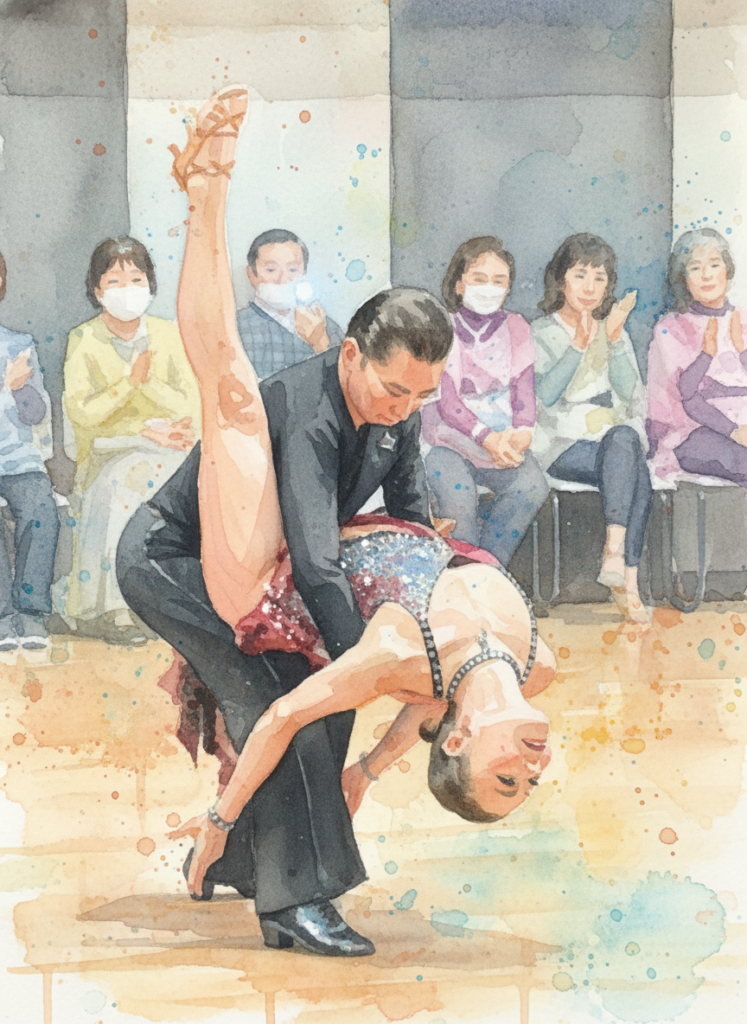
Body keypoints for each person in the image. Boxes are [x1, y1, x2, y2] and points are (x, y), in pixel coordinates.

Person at [116, 86, 554, 958]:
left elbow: (406, 522)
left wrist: (401, 636)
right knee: (283, 699)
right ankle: (294, 903)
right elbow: (318, 559)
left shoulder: (397, 410)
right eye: (391, 389)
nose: (403, 408)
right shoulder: (310, 412)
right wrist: (364, 659)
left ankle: (247, 860)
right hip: (172, 560)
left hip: (268, 559)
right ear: (350, 354)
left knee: (309, 697)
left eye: (420, 396)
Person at [62, 238, 201, 643]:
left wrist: (150, 385)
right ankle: (117, 609)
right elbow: (83, 414)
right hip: (109, 451)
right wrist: (129, 387)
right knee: (127, 480)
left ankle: (176, 604)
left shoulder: (168, 334)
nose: (127, 290)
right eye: (115, 281)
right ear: (97, 290)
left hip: (169, 448)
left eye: (136, 279)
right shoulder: (83, 339)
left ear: (150, 285)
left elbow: (190, 403)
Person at [532, 233, 652, 624]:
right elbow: (545, 396)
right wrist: (578, 348)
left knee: (625, 442)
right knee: (632, 464)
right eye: (580, 275)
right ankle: (626, 579)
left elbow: (630, 393)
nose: (589, 287)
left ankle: (617, 559)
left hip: (612, 443)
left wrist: (613, 341)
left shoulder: (612, 328)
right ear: (561, 279)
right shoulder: (541, 332)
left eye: (599, 278)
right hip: (562, 444)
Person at [422, 236, 549, 566]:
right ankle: (463, 576)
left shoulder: (517, 327)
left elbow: (524, 391)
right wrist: (487, 438)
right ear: (459, 283)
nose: (489, 288)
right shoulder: (441, 327)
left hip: (500, 443)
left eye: (498, 281)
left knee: (531, 487)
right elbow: (448, 404)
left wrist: (522, 433)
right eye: (479, 279)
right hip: (446, 442)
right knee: (459, 498)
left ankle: (488, 571)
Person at [647, 228, 747, 488]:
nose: (707, 275)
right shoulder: (671, 327)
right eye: (695, 267)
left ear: (727, 269)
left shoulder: (743, 318)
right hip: (692, 431)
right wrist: (735, 431)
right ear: (684, 278)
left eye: (714, 264)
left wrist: (743, 350)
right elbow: (689, 398)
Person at [0, 250, 59, 651]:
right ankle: (2, 617)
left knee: (41, 511)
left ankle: (31, 612)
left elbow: (36, 414)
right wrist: (6, 388)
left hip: (18, 460)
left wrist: (21, 388)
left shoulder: (18, 345)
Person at [236, 228, 344, 379]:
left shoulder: (325, 325)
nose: (283, 279)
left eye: (293, 270)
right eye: (271, 270)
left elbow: (347, 381)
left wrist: (320, 342)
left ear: (304, 273)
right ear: (252, 274)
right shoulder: (237, 327)